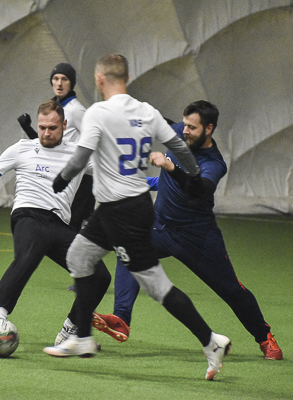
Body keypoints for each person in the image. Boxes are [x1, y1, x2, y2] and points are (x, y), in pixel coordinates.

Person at [43, 55, 231, 381]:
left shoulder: (99, 112)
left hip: (123, 212)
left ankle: (211, 341)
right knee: (78, 256)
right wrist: (193, 173)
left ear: (99, 79)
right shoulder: (147, 112)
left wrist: (61, 179)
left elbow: (82, 156)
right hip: (121, 207)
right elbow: (179, 146)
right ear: (126, 78)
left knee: (156, 286)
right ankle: (82, 337)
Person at [91, 100, 283, 360]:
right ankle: (121, 318)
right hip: (160, 227)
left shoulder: (214, 163)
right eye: (185, 125)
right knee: (127, 250)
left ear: (209, 129)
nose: (185, 131)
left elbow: (198, 190)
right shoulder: (178, 132)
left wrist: (170, 167)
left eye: (193, 128)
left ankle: (264, 337)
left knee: (231, 290)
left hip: (197, 237)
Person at [0, 100, 111, 347]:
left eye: (52, 128)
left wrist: (158, 182)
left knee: (100, 276)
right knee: (29, 253)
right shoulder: (22, 148)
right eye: (42, 127)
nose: (46, 133)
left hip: (59, 225)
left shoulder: (78, 155)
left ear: (64, 125)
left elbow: (117, 176)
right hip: (28, 215)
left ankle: (70, 330)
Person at [17, 63, 95, 233]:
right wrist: (28, 129)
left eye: (64, 79)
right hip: (62, 177)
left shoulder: (76, 111)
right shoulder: (56, 109)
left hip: (79, 180)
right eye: (56, 78)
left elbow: (94, 142)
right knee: (60, 229)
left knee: (69, 230)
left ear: (72, 83)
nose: (59, 83)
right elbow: (48, 147)